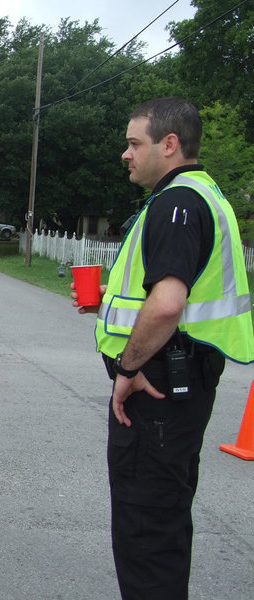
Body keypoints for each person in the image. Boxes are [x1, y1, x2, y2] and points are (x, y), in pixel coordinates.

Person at [74, 97, 254, 599]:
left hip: (157, 388)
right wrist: (106, 303)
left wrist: (127, 367)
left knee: (146, 532)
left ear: (170, 144)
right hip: (181, 384)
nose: (126, 155)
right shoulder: (201, 195)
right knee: (163, 524)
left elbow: (168, 303)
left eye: (135, 143)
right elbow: (160, 296)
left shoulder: (177, 204)